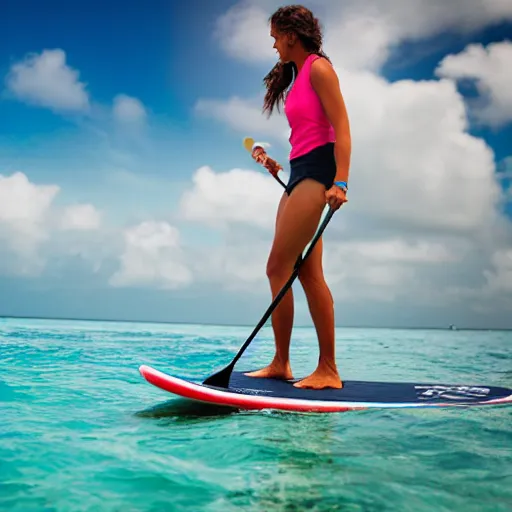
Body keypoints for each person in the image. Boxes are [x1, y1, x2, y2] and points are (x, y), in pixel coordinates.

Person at [245, 5, 351, 390]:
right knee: (307, 272)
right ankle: (288, 364)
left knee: (277, 267)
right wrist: (276, 164)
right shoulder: (297, 76)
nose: (273, 44)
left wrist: (341, 182)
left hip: (318, 174)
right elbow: (307, 133)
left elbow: (341, 127)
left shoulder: (320, 69)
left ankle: (321, 368)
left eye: (275, 36)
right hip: (297, 172)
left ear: (291, 34)